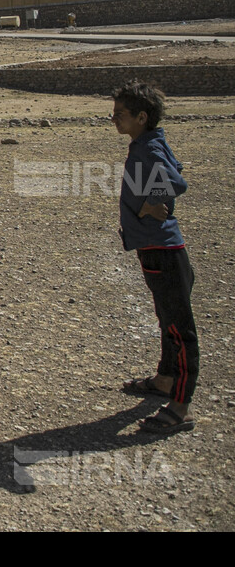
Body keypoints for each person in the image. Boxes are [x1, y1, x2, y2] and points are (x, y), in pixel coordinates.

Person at [112, 81, 199, 435]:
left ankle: (180, 407)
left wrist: (152, 200)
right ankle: (165, 380)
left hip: (164, 250)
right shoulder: (148, 142)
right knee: (166, 318)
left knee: (180, 329)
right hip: (155, 248)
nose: (113, 119)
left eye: (120, 114)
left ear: (141, 116)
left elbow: (176, 181)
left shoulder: (148, 148)